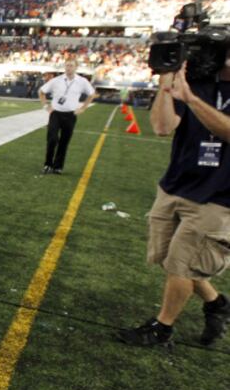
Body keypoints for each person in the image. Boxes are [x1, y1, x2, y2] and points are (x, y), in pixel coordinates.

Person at [117, 60, 230, 348]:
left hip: (218, 195)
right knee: (170, 260)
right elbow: (162, 127)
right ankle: (216, 303)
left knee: (181, 266)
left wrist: (191, 100)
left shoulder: (195, 92)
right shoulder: (199, 82)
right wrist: (167, 80)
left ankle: (162, 329)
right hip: (176, 185)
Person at [38, 59, 95, 174]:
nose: (69, 68)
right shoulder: (56, 80)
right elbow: (41, 91)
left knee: (64, 141)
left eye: (71, 66)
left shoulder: (82, 81)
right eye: (67, 65)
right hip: (55, 114)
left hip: (70, 115)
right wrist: (45, 106)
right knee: (52, 139)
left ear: (76, 67)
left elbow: (92, 94)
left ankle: (58, 167)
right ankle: (48, 164)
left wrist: (83, 108)